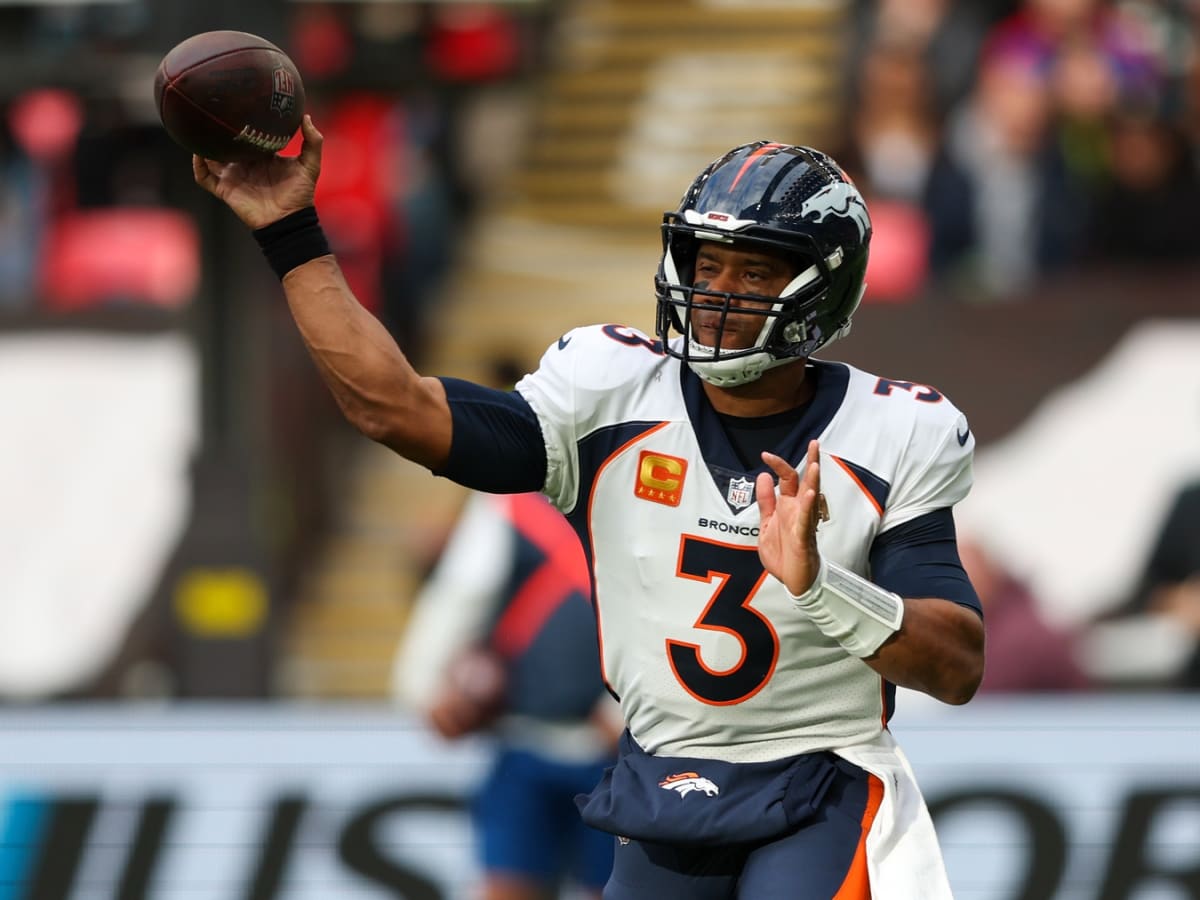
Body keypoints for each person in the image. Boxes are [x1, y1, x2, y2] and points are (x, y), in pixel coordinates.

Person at [193, 124, 986, 899]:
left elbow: (957, 667)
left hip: (823, 783)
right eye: (708, 264)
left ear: (822, 286)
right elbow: (392, 408)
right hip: (665, 780)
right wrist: (290, 232)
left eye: (753, 274)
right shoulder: (610, 394)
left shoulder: (893, 432)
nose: (716, 294)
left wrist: (821, 588)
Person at [393, 487, 619, 900]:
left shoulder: (642, 489)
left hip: (618, 759)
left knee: (611, 888)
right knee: (508, 885)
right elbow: (461, 596)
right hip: (523, 738)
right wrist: (428, 689)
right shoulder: (509, 496)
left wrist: (624, 710)